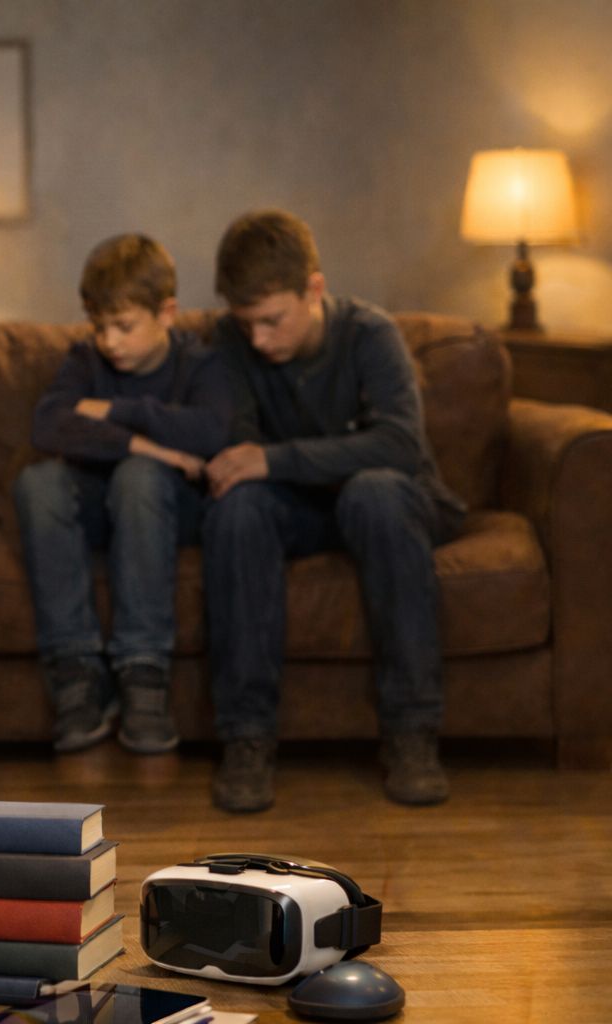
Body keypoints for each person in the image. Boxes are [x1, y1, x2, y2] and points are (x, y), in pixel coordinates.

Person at [201, 210, 466, 813]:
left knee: (374, 490)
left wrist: (277, 459)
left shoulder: (370, 334)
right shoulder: (229, 341)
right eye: (247, 324)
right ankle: (246, 738)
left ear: (314, 289)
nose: (258, 339)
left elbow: (399, 445)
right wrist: (269, 464)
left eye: (272, 320)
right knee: (237, 508)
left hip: (390, 503)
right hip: (296, 509)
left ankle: (413, 734)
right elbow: (238, 449)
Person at [13, 234, 231, 756]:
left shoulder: (200, 364)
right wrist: (151, 445)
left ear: (167, 313)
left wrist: (117, 412)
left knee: (140, 477)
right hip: (96, 509)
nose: (109, 341)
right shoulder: (85, 361)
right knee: (38, 481)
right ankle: (75, 670)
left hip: (167, 510)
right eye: (99, 326)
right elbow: (48, 424)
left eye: (124, 327)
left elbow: (210, 432)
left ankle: (143, 671)